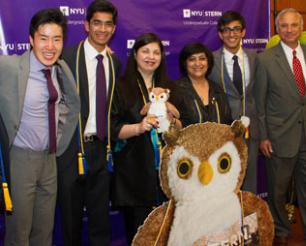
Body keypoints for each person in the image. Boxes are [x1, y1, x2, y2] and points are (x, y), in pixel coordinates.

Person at [0, 8, 79, 246]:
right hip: (20, 159)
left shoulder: (61, 69)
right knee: (19, 232)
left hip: (49, 160)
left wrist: (60, 141)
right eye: (43, 38)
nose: (50, 46)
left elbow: (70, 105)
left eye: (57, 39)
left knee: (44, 230)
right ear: (31, 39)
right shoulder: (9, 67)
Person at [255, 8, 306, 246]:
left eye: (294, 25)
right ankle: (281, 232)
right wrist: (263, 136)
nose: (289, 30)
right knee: (278, 191)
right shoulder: (265, 59)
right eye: (283, 25)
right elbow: (260, 101)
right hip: (278, 137)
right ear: (277, 28)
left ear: (301, 27)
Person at [56, 0, 120, 245]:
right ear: (86, 25)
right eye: (97, 23)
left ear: (114, 29)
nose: (102, 29)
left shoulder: (114, 63)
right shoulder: (67, 57)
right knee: (70, 218)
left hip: (101, 149)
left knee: (100, 217)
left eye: (107, 24)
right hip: (71, 149)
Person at [111, 32, 180, 245]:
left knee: (169, 231)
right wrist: (139, 127)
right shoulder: (121, 86)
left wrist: (172, 120)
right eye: (145, 51)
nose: (151, 56)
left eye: (156, 52)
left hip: (168, 171)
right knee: (140, 233)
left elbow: (181, 129)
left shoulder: (170, 87)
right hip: (134, 171)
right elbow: (114, 130)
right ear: (135, 54)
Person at [208, 11, 260, 194]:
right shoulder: (210, 60)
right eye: (227, 30)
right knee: (225, 183)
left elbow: (261, 94)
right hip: (224, 132)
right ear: (220, 34)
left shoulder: (255, 58)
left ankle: (249, 222)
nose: (232, 34)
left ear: (244, 32)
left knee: (250, 182)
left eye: (236, 29)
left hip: (251, 132)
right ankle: (229, 223)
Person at [172, 42, 231, 127]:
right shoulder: (176, 90)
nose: (197, 63)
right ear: (185, 63)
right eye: (192, 59)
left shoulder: (217, 89)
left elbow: (227, 122)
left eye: (202, 58)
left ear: (208, 62)